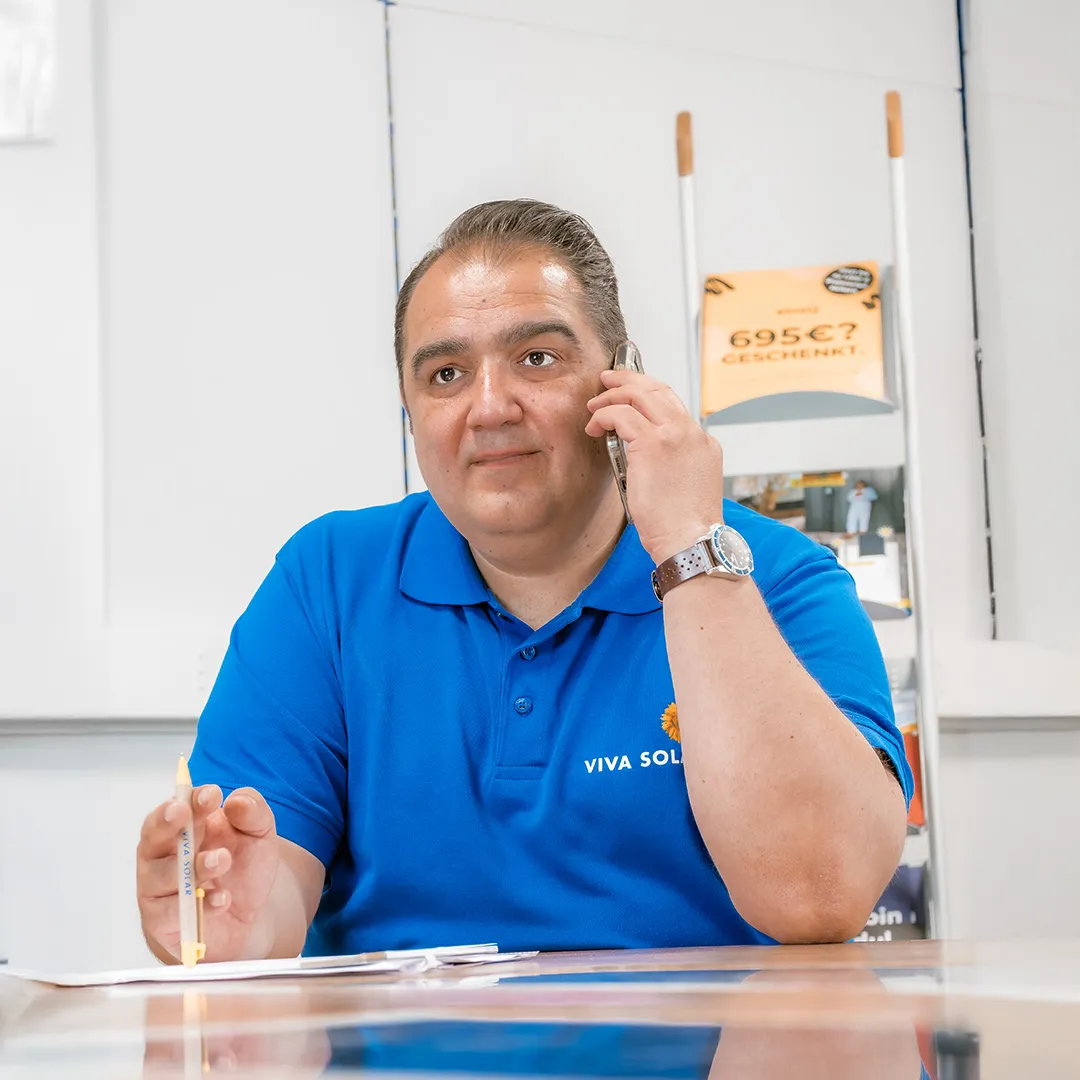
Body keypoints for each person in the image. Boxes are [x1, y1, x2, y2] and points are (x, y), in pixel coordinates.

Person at [136, 200, 911, 964]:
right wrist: (235, 929)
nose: (489, 407)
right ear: (409, 413)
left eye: (536, 358)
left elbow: (820, 895)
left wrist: (688, 551)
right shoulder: (327, 583)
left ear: (622, 380)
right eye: (445, 373)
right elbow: (267, 900)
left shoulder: (771, 578)